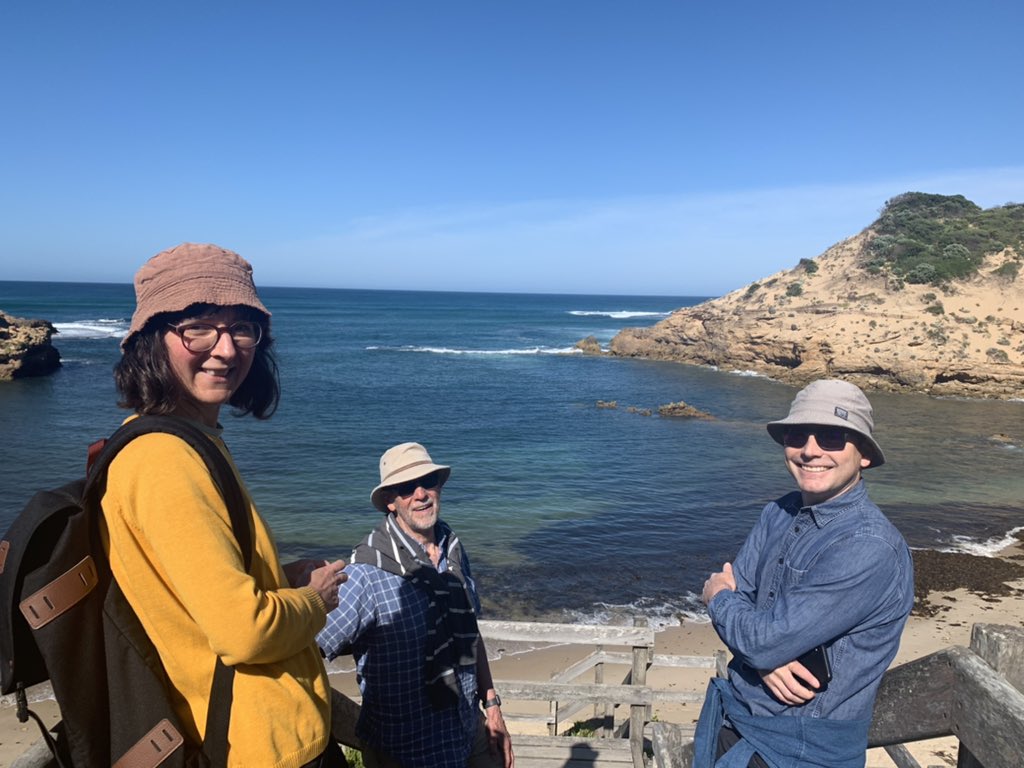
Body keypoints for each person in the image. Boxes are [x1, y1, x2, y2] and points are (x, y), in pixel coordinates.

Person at [103, 242, 349, 767]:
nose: (226, 348)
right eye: (197, 326)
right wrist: (315, 597)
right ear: (152, 339)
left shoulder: (191, 440)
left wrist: (278, 577)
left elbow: (194, 593)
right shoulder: (164, 460)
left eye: (242, 327)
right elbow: (245, 632)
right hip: (253, 747)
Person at [694, 379, 914, 768]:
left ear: (863, 454)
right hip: (737, 722)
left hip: (801, 750)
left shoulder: (869, 546)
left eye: (832, 436)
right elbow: (756, 625)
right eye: (798, 435)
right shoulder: (778, 511)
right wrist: (765, 658)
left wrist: (717, 598)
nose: (810, 450)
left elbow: (743, 610)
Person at [318, 443, 514, 768]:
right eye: (407, 488)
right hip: (407, 750)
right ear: (390, 502)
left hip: (467, 728)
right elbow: (309, 648)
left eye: (428, 481)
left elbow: (471, 632)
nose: (420, 493)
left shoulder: (452, 549)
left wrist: (492, 705)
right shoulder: (367, 573)